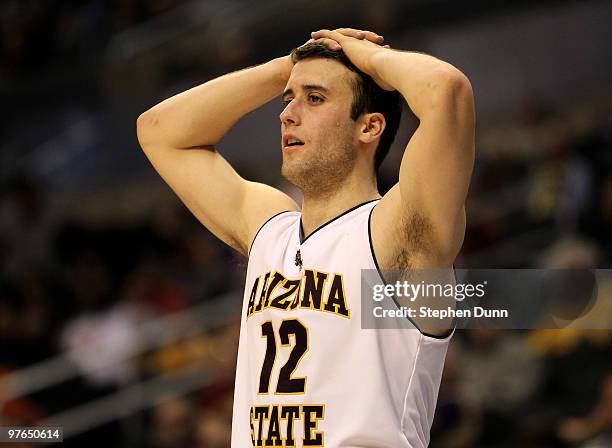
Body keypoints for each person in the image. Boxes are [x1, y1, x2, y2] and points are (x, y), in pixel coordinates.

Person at [137, 27, 475, 447]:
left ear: (369, 127)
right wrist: (289, 66)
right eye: (287, 100)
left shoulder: (397, 230)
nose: (287, 113)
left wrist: (365, 56)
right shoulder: (269, 230)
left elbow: (448, 91)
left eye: (314, 99)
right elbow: (158, 131)